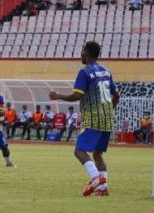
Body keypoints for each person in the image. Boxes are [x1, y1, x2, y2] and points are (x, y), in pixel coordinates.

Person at [49, 41, 119, 196]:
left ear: (86, 53)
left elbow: (78, 95)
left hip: (93, 117)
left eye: (82, 51)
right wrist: (108, 110)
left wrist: (58, 96)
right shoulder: (106, 71)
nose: (81, 54)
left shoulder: (85, 72)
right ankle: (102, 189)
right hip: (107, 118)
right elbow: (116, 95)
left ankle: (96, 178)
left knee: (79, 151)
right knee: (97, 153)